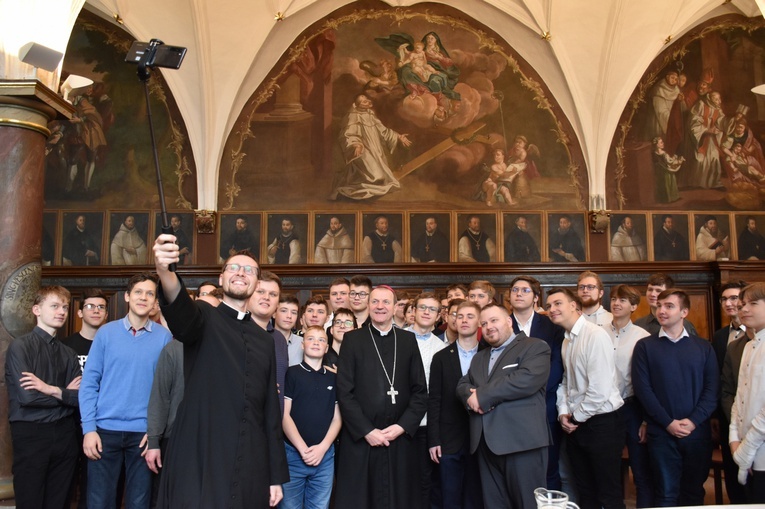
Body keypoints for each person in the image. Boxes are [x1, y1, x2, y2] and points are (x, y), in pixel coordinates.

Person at [152, 236, 289, 508]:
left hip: (250, 457)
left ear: (256, 284)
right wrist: (165, 271)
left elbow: (271, 411)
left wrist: (275, 476)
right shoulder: (204, 315)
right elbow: (180, 314)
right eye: (234, 268)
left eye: (249, 270)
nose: (241, 272)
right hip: (200, 449)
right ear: (221, 278)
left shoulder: (265, 339)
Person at [79, 273, 173, 508]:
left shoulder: (164, 338)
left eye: (150, 293)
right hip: (103, 432)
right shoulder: (106, 333)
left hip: (142, 436)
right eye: (139, 292)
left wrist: (155, 433)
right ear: (127, 297)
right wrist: (89, 429)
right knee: (99, 502)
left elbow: (168, 391)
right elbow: (89, 383)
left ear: (155, 302)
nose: (144, 297)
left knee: (139, 503)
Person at [335, 286, 428, 509]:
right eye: (375, 302)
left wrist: (402, 427)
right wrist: (367, 431)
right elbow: (344, 392)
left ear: (395, 307)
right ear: (368, 305)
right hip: (362, 440)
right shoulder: (353, 339)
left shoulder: (407, 340)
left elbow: (420, 391)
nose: (380, 307)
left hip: (399, 440)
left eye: (386, 302)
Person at [456, 303, 551, 509]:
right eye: (484, 323)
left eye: (494, 320)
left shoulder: (535, 346)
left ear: (509, 321)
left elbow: (526, 379)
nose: (489, 326)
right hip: (485, 445)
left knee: (529, 504)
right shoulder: (480, 357)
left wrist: (482, 395)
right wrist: (470, 398)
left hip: (521, 443)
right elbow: (464, 384)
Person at [632, 289, 718, 507]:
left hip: (696, 432)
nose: (661, 310)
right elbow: (644, 390)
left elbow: (711, 390)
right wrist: (668, 423)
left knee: (693, 494)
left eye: (669, 306)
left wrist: (692, 421)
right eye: (659, 305)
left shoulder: (704, 347)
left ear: (684, 312)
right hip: (661, 432)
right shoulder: (645, 346)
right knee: (665, 494)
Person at [5, 286, 82, 509]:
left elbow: (79, 399)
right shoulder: (20, 347)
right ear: (37, 309)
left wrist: (50, 389)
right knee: (30, 501)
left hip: (65, 436)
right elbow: (28, 398)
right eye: (55, 306)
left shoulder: (69, 353)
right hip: (31, 434)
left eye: (65, 307)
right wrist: (64, 395)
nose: (62, 312)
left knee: (60, 502)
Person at [547, 287, 625, 509]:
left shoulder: (595, 335)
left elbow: (599, 390)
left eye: (557, 303)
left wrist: (575, 418)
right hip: (578, 423)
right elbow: (565, 383)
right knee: (585, 491)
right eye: (549, 305)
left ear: (573, 305)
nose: (552, 309)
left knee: (608, 494)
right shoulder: (566, 340)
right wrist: (563, 412)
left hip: (603, 423)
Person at [508, 276, 565, 490]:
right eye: (515, 289)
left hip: (544, 406)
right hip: (509, 409)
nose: (519, 294)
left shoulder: (552, 327)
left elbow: (557, 365)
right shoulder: (500, 324)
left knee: (548, 467)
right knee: (515, 469)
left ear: (535, 297)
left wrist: (535, 391)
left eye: (525, 290)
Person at [428, 300, 484, 509]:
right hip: (448, 439)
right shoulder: (441, 357)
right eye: (460, 316)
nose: (464, 320)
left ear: (479, 321)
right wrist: (434, 439)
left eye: (470, 316)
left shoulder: (489, 353)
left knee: (475, 497)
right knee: (449, 497)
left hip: (481, 439)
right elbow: (434, 400)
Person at [281, 326, 342, 509]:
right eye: (311, 338)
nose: (316, 342)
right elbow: (284, 415)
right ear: (302, 344)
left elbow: (337, 419)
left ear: (326, 348)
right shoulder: (292, 374)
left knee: (319, 506)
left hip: (324, 457)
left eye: (321, 340)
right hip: (293, 454)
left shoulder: (334, 379)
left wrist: (322, 448)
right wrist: (302, 449)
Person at [606, 285, 652, 508]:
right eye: (614, 299)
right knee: (609, 468)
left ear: (634, 306)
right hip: (605, 408)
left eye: (623, 300)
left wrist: (645, 419)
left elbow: (649, 381)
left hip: (632, 407)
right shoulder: (598, 332)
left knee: (640, 468)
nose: (616, 303)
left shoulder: (643, 337)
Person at [62, 288, 108, 507]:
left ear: (106, 313)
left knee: (95, 480)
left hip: (102, 420)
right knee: (67, 479)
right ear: (80, 313)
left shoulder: (111, 343)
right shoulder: (67, 346)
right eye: (90, 306)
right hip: (69, 419)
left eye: (101, 307)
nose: (96, 311)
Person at [406, 292, 447, 508]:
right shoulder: (397, 337)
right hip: (397, 422)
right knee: (399, 477)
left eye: (432, 309)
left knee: (423, 480)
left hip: (424, 425)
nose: (426, 312)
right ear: (413, 310)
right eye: (422, 307)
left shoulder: (441, 349)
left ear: (439, 315)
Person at [331, 94, 412, 200]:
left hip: (376, 150)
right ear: (357, 105)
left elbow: (384, 131)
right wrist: (356, 144)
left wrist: (398, 136)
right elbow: (348, 134)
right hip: (363, 150)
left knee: (381, 177)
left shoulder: (370, 114)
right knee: (376, 175)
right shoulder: (353, 116)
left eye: (367, 99)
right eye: (364, 101)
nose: (368, 101)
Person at [712, 281, 748, 504]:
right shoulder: (720, 336)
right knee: (732, 474)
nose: (728, 303)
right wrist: (720, 414)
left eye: (733, 298)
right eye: (724, 299)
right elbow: (719, 379)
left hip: (754, 414)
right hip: (728, 414)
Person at [729, 282, 765, 502]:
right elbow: (739, 398)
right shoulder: (750, 346)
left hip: (758, 449)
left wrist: (746, 449)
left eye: (753, 303)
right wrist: (734, 438)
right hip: (745, 449)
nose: (744, 309)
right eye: (742, 305)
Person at [144, 338, 184, 507]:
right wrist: (153, 442)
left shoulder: (221, 346)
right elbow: (160, 397)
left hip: (209, 440)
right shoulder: (173, 349)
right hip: (173, 438)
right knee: (164, 499)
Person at [249, 270, 289, 414]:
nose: (266, 298)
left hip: (275, 423)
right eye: (260, 292)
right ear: (249, 295)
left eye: (273, 294)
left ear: (278, 303)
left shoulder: (279, 339)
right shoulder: (234, 331)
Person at [688, 90, 725, 189]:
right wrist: (706, 130)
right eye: (716, 99)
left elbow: (721, 122)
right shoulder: (700, 105)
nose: (719, 101)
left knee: (714, 158)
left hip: (712, 138)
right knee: (700, 159)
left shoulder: (718, 109)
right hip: (701, 137)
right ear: (710, 98)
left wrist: (719, 128)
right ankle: (698, 183)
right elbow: (693, 121)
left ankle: (714, 183)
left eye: (719, 99)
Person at [646, 71, 681, 140]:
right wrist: (672, 120)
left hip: (672, 118)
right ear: (667, 77)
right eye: (672, 78)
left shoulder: (677, 90)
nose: (674, 80)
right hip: (661, 121)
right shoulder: (659, 89)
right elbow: (660, 111)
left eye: (676, 79)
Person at [652, 137, 684, 203]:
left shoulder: (654, 153)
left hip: (660, 172)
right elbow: (670, 162)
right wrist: (679, 160)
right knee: (670, 184)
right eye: (661, 142)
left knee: (662, 184)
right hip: (667, 172)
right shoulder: (664, 154)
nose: (663, 143)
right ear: (657, 145)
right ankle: (672, 198)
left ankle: (663, 199)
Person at [274, 294, 303, 366]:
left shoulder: (303, 343)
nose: (289, 316)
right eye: (284, 311)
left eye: (294, 312)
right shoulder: (264, 340)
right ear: (274, 313)